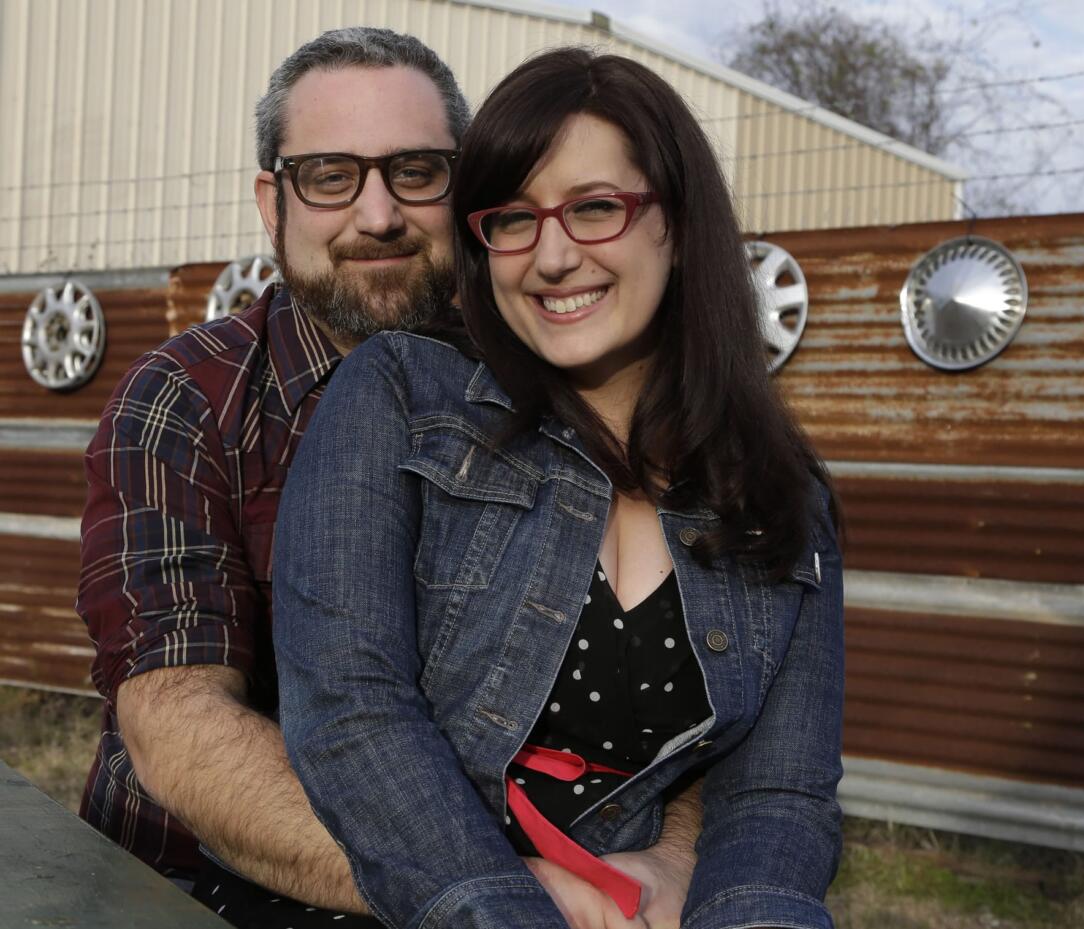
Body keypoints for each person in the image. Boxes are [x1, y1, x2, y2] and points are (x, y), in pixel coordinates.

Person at [76, 28, 698, 929]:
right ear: (272, 200)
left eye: (417, 171)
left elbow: (687, 688)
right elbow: (175, 714)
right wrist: (475, 886)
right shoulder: (184, 400)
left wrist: (674, 855)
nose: (378, 216)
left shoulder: (562, 383)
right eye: (331, 176)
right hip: (199, 890)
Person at [273, 48, 845, 929]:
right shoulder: (401, 397)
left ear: (679, 222)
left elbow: (780, 794)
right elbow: (351, 712)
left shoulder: (784, 494)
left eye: (595, 208)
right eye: (511, 219)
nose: (550, 256)